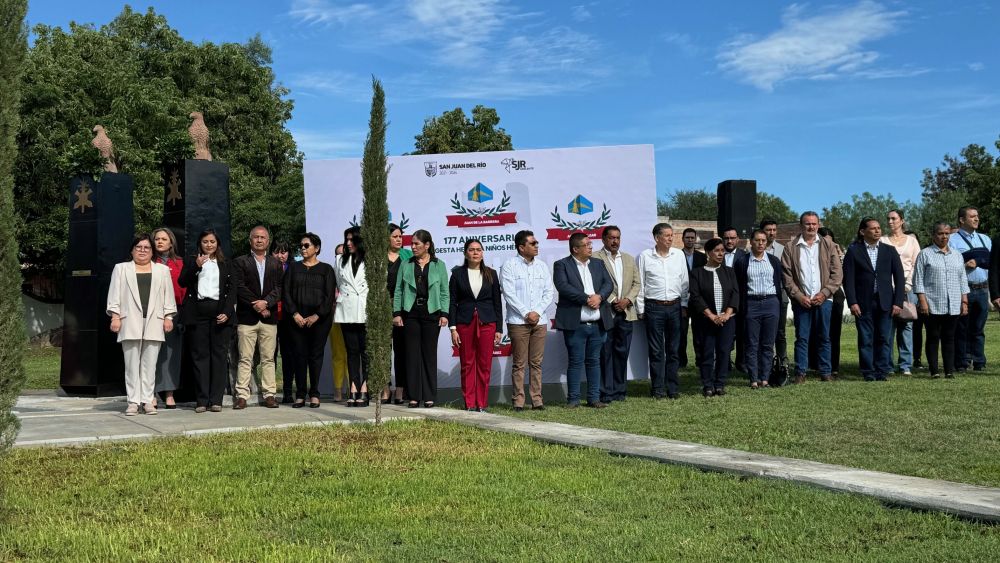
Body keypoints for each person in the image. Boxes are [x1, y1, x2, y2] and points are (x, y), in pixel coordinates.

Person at [106, 234, 177, 415]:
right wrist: (115, 317)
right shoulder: (121, 269)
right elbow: (114, 295)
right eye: (139, 247)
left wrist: (168, 317)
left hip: (154, 321)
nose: (142, 251)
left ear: (152, 251)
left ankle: (147, 401)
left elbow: (168, 297)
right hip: (129, 321)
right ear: (132, 250)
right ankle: (132, 402)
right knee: (131, 365)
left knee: (150, 365)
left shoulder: (162, 270)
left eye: (146, 248)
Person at [178, 229, 236, 412]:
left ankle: (216, 400)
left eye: (212, 241)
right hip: (198, 314)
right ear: (200, 243)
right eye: (205, 241)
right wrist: (196, 265)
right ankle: (202, 400)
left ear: (217, 243)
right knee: (200, 357)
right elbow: (182, 282)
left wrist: (227, 311)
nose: (209, 244)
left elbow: (233, 289)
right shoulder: (192, 261)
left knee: (219, 357)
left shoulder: (226, 263)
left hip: (220, 314)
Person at [781, 212, 843, 384]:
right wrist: (799, 296)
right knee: (802, 337)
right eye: (808, 224)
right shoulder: (791, 247)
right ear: (801, 226)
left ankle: (825, 372)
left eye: (814, 224)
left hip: (824, 299)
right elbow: (786, 276)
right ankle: (800, 372)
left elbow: (837, 274)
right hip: (802, 301)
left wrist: (824, 293)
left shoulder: (828, 245)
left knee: (824, 337)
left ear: (818, 225)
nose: (811, 227)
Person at [554, 233, 614, 408]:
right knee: (575, 361)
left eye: (590, 243)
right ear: (575, 249)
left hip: (597, 324)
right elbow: (564, 287)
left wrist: (600, 297)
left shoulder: (598, 263)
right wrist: (588, 299)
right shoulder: (562, 265)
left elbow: (608, 284)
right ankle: (573, 399)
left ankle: (594, 398)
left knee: (594, 361)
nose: (590, 246)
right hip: (575, 325)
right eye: (587, 244)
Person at [843, 218, 905, 382]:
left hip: (885, 301)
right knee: (866, 338)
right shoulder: (854, 251)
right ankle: (868, 371)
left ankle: (882, 370)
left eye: (879, 228)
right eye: (873, 228)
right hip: (863, 302)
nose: (878, 231)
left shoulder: (889, 251)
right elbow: (848, 280)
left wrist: (898, 302)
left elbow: (899, 278)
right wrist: (852, 302)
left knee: (884, 337)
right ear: (863, 231)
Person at [393, 230, 450, 408]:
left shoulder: (438, 264)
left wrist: (444, 314)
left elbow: (444, 291)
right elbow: (399, 290)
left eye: (417, 244)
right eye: (412, 243)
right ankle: (414, 396)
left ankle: (429, 395)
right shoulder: (406, 263)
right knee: (411, 355)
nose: (413, 246)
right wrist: (397, 313)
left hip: (432, 313)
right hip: (410, 313)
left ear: (427, 245)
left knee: (429, 355)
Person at [500, 230, 554, 411]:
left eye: (536, 242)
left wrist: (537, 312)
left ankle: (537, 400)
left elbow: (549, 293)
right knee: (519, 363)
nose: (537, 246)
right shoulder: (509, 265)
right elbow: (509, 293)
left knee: (536, 363)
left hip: (539, 321)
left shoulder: (542, 266)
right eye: (533, 243)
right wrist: (526, 313)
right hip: (518, 321)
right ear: (521, 247)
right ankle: (518, 401)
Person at [232, 225, 283, 409]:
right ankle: (242, 395)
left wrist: (266, 303)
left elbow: (279, 288)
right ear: (250, 240)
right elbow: (239, 287)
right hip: (247, 318)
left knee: (269, 358)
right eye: (256, 237)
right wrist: (258, 304)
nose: (259, 240)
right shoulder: (239, 262)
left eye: (263, 237)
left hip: (269, 319)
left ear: (268, 241)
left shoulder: (276, 263)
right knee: (245, 358)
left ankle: (270, 394)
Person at [636, 223, 689, 399]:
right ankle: (658, 388)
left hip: (674, 306)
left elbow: (684, 282)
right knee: (656, 351)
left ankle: (673, 388)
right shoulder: (644, 256)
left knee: (674, 349)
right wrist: (641, 308)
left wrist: (684, 305)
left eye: (671, 235)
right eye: (666, 235)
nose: (670, 238)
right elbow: (641, 284)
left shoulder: (678, 255)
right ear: (657, 237)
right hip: (654, 307)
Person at [449, 239, 503, 412]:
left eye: (478, 250)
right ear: (466, 253)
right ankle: (469, 403)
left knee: (484, 364)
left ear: (482, 253)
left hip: (487, 323)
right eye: (471, 250)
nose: (475, 253)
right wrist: (453, 328)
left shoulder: (491, 274)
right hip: (464, 323)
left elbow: (497, 303)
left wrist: (499, 329)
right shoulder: (457, 274)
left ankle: (482, 403)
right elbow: (452, 302)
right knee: (467, 363)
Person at [285, 232, 335, 408]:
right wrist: (295, 314)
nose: (303, 248)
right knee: (299, 355)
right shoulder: (293, 267)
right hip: (296, 319)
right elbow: (286, 293)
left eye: (306, 245)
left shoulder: (326, 269)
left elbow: (329, 297)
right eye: (301, 245)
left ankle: (314, 393)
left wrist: (316, 316)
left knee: (315, 356)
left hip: (319, 320)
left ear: (317, 248)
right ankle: (300, 394)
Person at [914, 222, 970, 378]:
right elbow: (918, 280)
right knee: (933, 337)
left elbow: (962, 280)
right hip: (932, 303)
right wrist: (922, 301)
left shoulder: (957, 255)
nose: (944, 236)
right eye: (940, 233)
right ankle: (934, 371)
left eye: (947, 233)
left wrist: (964, 301)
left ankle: (949, 371)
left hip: (953, 303)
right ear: (934, 235)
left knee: (949, 337)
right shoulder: (925, 254)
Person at [594, 226, 641, 403]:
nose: (615, 241)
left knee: (622, 353)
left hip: (626, 313)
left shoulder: (628, 258)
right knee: (605, 353)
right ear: (604, 239)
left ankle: (620, 391)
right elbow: (596, 283)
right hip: (606, 312)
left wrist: (627, 300)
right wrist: (614, 300)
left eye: (618, 238)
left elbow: (637, 284)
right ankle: (606, 392)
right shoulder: (595, 258)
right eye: (612, 238)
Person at [689, 238, 739, 397]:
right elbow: (696, 297)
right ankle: (707, 384)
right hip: (705, 321)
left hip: (726, 320)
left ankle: (720, 384)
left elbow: (735, 294)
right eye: (717, 251)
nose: (720, 254)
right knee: (706, 353)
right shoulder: (697, 272)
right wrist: (711, 316)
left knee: (724, 352)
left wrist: (727, 314)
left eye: (722, 251)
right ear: (708, 252)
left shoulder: (729, 271)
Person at [734, 230, 783, 389]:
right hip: (751, 303)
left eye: (763, 240)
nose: (761, 243)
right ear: (751, 241)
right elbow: (739, 286)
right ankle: (754, 379)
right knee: (752, 343)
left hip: (771, 302)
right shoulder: (742, 261)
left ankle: (765, 378)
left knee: (768, 344)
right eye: (757, 240)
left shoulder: (774, 261)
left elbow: (778, 282)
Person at [949, 206, 991, 372]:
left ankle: (979, 360)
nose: (976, 219)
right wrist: (963, 264)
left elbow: (993, 264)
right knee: (961, 327)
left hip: (983, 288)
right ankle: (962, 361)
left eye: (977, 216)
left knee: (978, 328)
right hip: (964, 289)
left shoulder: (985, 239)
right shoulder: (952, 240)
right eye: (972, 216)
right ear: (961, 220)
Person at [881, 210, 921, 375]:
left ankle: (905, 365)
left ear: (902, 221)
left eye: (894, 218)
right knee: (887, 327)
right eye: (888, 219)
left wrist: (907, 284)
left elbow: (916, 263)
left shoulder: (911, 241)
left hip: (907, 288)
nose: (890, 222)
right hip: (887, 288)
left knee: (906, 325)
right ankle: (887, 364)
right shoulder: (882, 240)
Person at [151, 227, 186, 409]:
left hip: (174, 313)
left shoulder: (180, 263)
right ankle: (152, 392)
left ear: (171, 242)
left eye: (164, 239)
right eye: (157, 239)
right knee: (152, 353)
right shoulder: (148, 262)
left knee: (171, 354)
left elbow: (184, 289)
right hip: (152, 313)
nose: (160, 242)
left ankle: (170, 393)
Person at [335, 226, 370, 407]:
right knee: (351, 351)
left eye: (352, 240)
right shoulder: (340, 260)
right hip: (347, 309)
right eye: (346, 240)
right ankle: (353, 387)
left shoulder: (373, 260)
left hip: (365, 309)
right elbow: (340, 284)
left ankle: (365, 387)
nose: (348, 243)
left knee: (365, 351)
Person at [385, 224, 412, 404]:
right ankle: (385, 387)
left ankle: (401, 389)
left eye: (400, 236)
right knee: (383, 350)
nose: (399, 239)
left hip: (402, 309)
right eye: (395, 236)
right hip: (381, 308)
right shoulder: (377, 257)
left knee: (402, 350)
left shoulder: (408, 255)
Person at [760, 219, 790, 375]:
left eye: (773, 229)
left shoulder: (783, 249)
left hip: (780, 295)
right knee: (764, 332)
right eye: (768, 229)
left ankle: (782, 360)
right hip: (762, 296)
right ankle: (766, 362)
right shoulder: (753, 249)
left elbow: (788, 273)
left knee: (780, 331)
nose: (771, 232)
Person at [271, 241, 297, 403]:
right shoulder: (267, 267)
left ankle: (288, 391)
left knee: (288, 355)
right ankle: (270, 391)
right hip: (271, 316)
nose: (281, 256)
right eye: (277, 252)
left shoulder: (294, 268)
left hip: (288, 317)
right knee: (270, 355)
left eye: (284, 252)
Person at [722, 226, 749, 373]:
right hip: (722, 302)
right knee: (725, 334)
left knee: (742, 333)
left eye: (732, 238)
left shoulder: (745, 256)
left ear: (738, 239)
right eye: (726, 238)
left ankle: (741, 362)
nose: (729, 241)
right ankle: (725, 362)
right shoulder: (717, 255)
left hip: (741, 301)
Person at [678, 227, 706, 369]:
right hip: (681, 300)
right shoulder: (676, 256)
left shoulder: (702, 257)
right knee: (681, 332)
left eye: (692, 238)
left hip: (697, 300)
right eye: (687, 237)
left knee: (699, 332)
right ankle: (681, 361)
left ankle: (700, 361)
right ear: (682, 239)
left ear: (695, 239)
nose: (690, 240)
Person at [328, 243, 349, 402]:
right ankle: (337, 390)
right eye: (338, 254)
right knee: (338, 354)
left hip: (352, 317)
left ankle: (351, 388)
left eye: (344, 253)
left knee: (352, 354)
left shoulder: (356, 272)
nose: (340, 257)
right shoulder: (330, 273)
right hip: (335, 317)